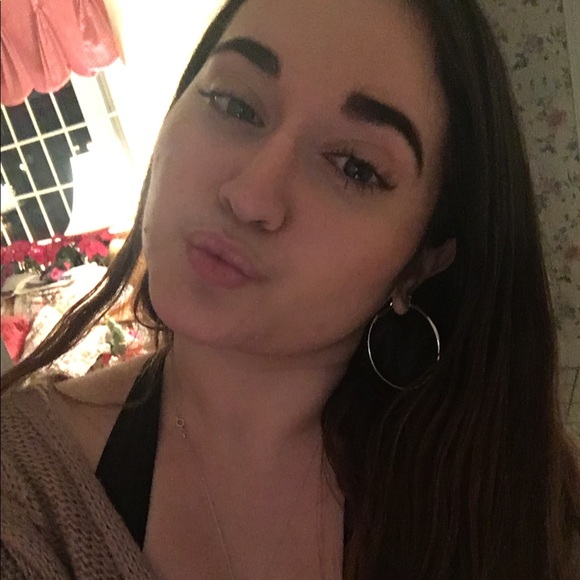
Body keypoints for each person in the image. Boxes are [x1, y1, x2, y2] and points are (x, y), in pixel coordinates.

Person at [2, 0, 579, 577]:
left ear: (421, 263)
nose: (249, 196)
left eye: (354, 167)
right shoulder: (22, 483)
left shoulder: (524, 506)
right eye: (233, 103)